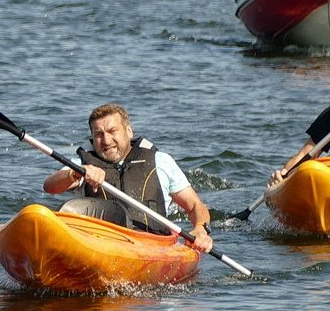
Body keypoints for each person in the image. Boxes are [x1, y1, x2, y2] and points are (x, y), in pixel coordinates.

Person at [43, 103, 214, 253]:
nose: (106, 140)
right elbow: (50, 186)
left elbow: (194, 206)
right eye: (99, 134)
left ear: (129, 131)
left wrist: (200, 229)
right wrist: (76, 173)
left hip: (152, 245)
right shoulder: (82, 164)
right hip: (99, 244)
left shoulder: (160, 161)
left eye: (112, 131)